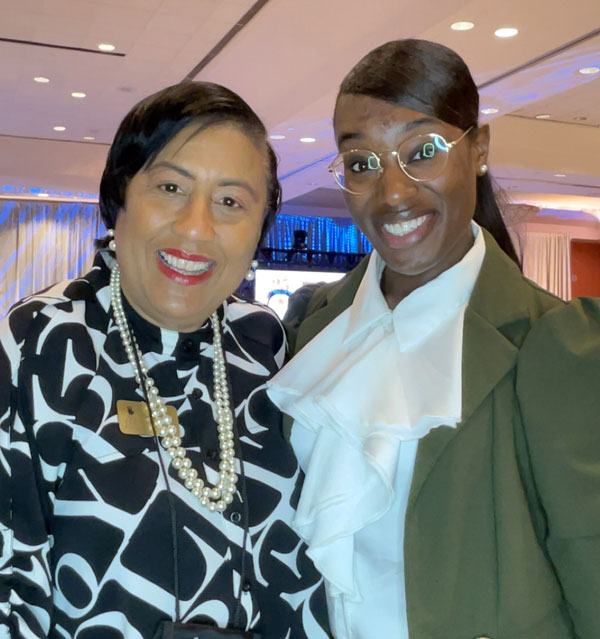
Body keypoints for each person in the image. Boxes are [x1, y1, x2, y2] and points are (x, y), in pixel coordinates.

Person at [267, 39, 600, 639]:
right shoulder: (312, 330)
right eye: (362, 163)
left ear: (478, 149)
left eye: (422, 152)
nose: (393, 192)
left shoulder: (557, 346)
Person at [0, 81, 330, 639]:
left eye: (230, 201)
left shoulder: (262, 348)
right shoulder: (44, 342)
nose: (197, 227)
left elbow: (302, 573)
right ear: (119, 197)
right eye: (171, 187)